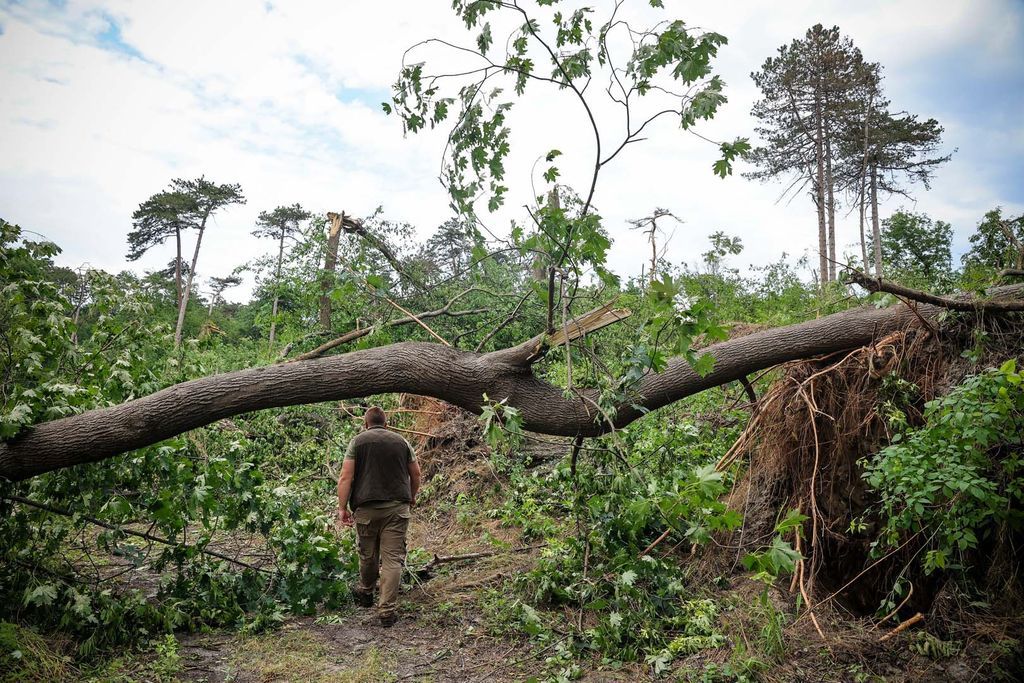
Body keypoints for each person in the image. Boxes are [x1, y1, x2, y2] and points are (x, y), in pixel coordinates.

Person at [336, 406, 421, 627]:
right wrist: (411, 497)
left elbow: (346, 477)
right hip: (396, 508)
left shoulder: (358, 442)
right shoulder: (402, 442)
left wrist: (342, 508)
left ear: (365, 424)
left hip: (366, 509)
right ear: (386, 424)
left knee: (368, 554)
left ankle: (366, 592)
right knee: (392, 560)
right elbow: (416, 473)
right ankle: (386, 611)